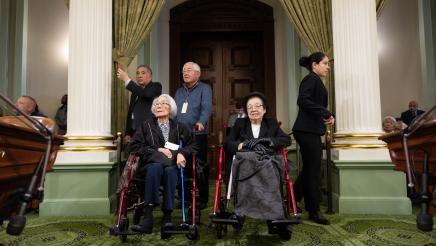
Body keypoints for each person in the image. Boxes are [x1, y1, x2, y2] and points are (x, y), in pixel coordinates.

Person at [128, 94, 198, 234]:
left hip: (172, 166)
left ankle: (167, 217)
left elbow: (193, 145)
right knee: (156, 167)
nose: (159, 106)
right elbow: (134, 146)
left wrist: (182, 153)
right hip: (151, 164)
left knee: (170, 171)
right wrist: (157, 149)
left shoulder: (179, 127)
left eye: (164, 103)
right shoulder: (146, 125)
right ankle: (148, 217)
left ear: (170, 108)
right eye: (157, 104)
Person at [224, 92, 291, 232]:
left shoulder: (271, 123)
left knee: (270, 168)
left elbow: (286, 140)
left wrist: (269, 142)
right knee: (245, 166)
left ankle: (274, 217)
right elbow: (227, 143)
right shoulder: (240, 123)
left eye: (257, 106)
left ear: (264, 109)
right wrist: (243, 145)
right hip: (245, 162)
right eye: (250, 107)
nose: (253, 109)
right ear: (246, 111)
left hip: (266, 162)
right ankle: (241, 212)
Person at [292, 52, 335, 225]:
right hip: (306, 131)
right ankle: (314, 211)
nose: (328, 66)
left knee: (310, 170)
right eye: (325, 63)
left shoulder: (315, 80)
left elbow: (312, 106)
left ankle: (291, 201)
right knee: (313, 171)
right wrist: (326, 112)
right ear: (314, 65)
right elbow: (302, 100)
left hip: (309, 130)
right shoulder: (311, 79)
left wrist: (327, 116)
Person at [174, 61, 212, 209]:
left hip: (197, 134)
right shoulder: (179, 91)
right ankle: (185, 198)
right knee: (181, 164)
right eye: (184, 70)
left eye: (189, 70)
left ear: (197, 74)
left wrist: (201, 122)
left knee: (199, 167)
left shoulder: (204, 88)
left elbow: (206, 107)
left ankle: (202, 198)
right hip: (179, 134)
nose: (185, 73)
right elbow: (175, 111)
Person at [117, 65, 162, 144]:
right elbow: (130, 113)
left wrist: (127, 79)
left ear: (150, 75)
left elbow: (146, 94)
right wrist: (128, 133)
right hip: (134, 133)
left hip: (148, 132)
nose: (139, 75)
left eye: (143, 73)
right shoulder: (135, 92)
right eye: (137, 73)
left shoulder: (156, 86)